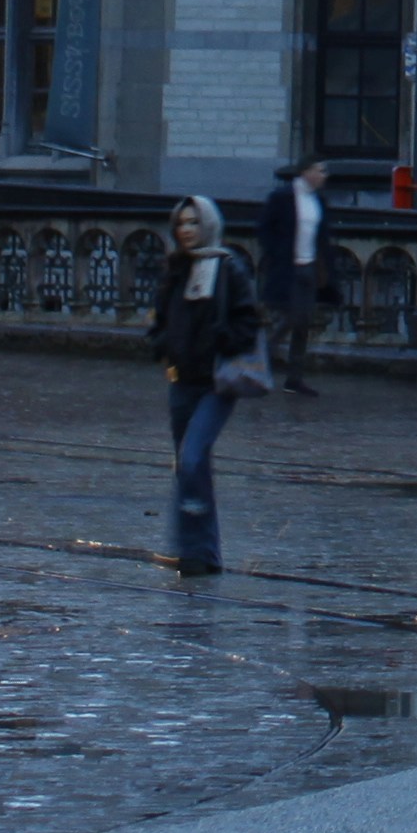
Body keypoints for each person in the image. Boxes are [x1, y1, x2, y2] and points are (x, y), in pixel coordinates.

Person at [148, 197, 247, 573]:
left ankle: (196, 549)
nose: (186, 230)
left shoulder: (228, 267)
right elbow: (161, 316)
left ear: (207, 225)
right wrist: (162, 343)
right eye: (181, 223)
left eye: (193, 222)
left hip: (216, 383)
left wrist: (223, 340)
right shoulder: (176, 268)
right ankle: (200, 552)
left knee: (191, 459)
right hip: (181, 381)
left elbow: (248, 320)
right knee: (189, 466)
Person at [249, 158, 337, 397]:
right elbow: (265, 228)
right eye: (320, 170)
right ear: (306, 171)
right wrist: (276, 254)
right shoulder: (282, 197)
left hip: (309, 268)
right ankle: (258, 366)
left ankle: (294, 378)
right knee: (291, 318)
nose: (324, 175)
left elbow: (321, 236)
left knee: (303, 323)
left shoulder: (318, 200)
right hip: (288, 268)